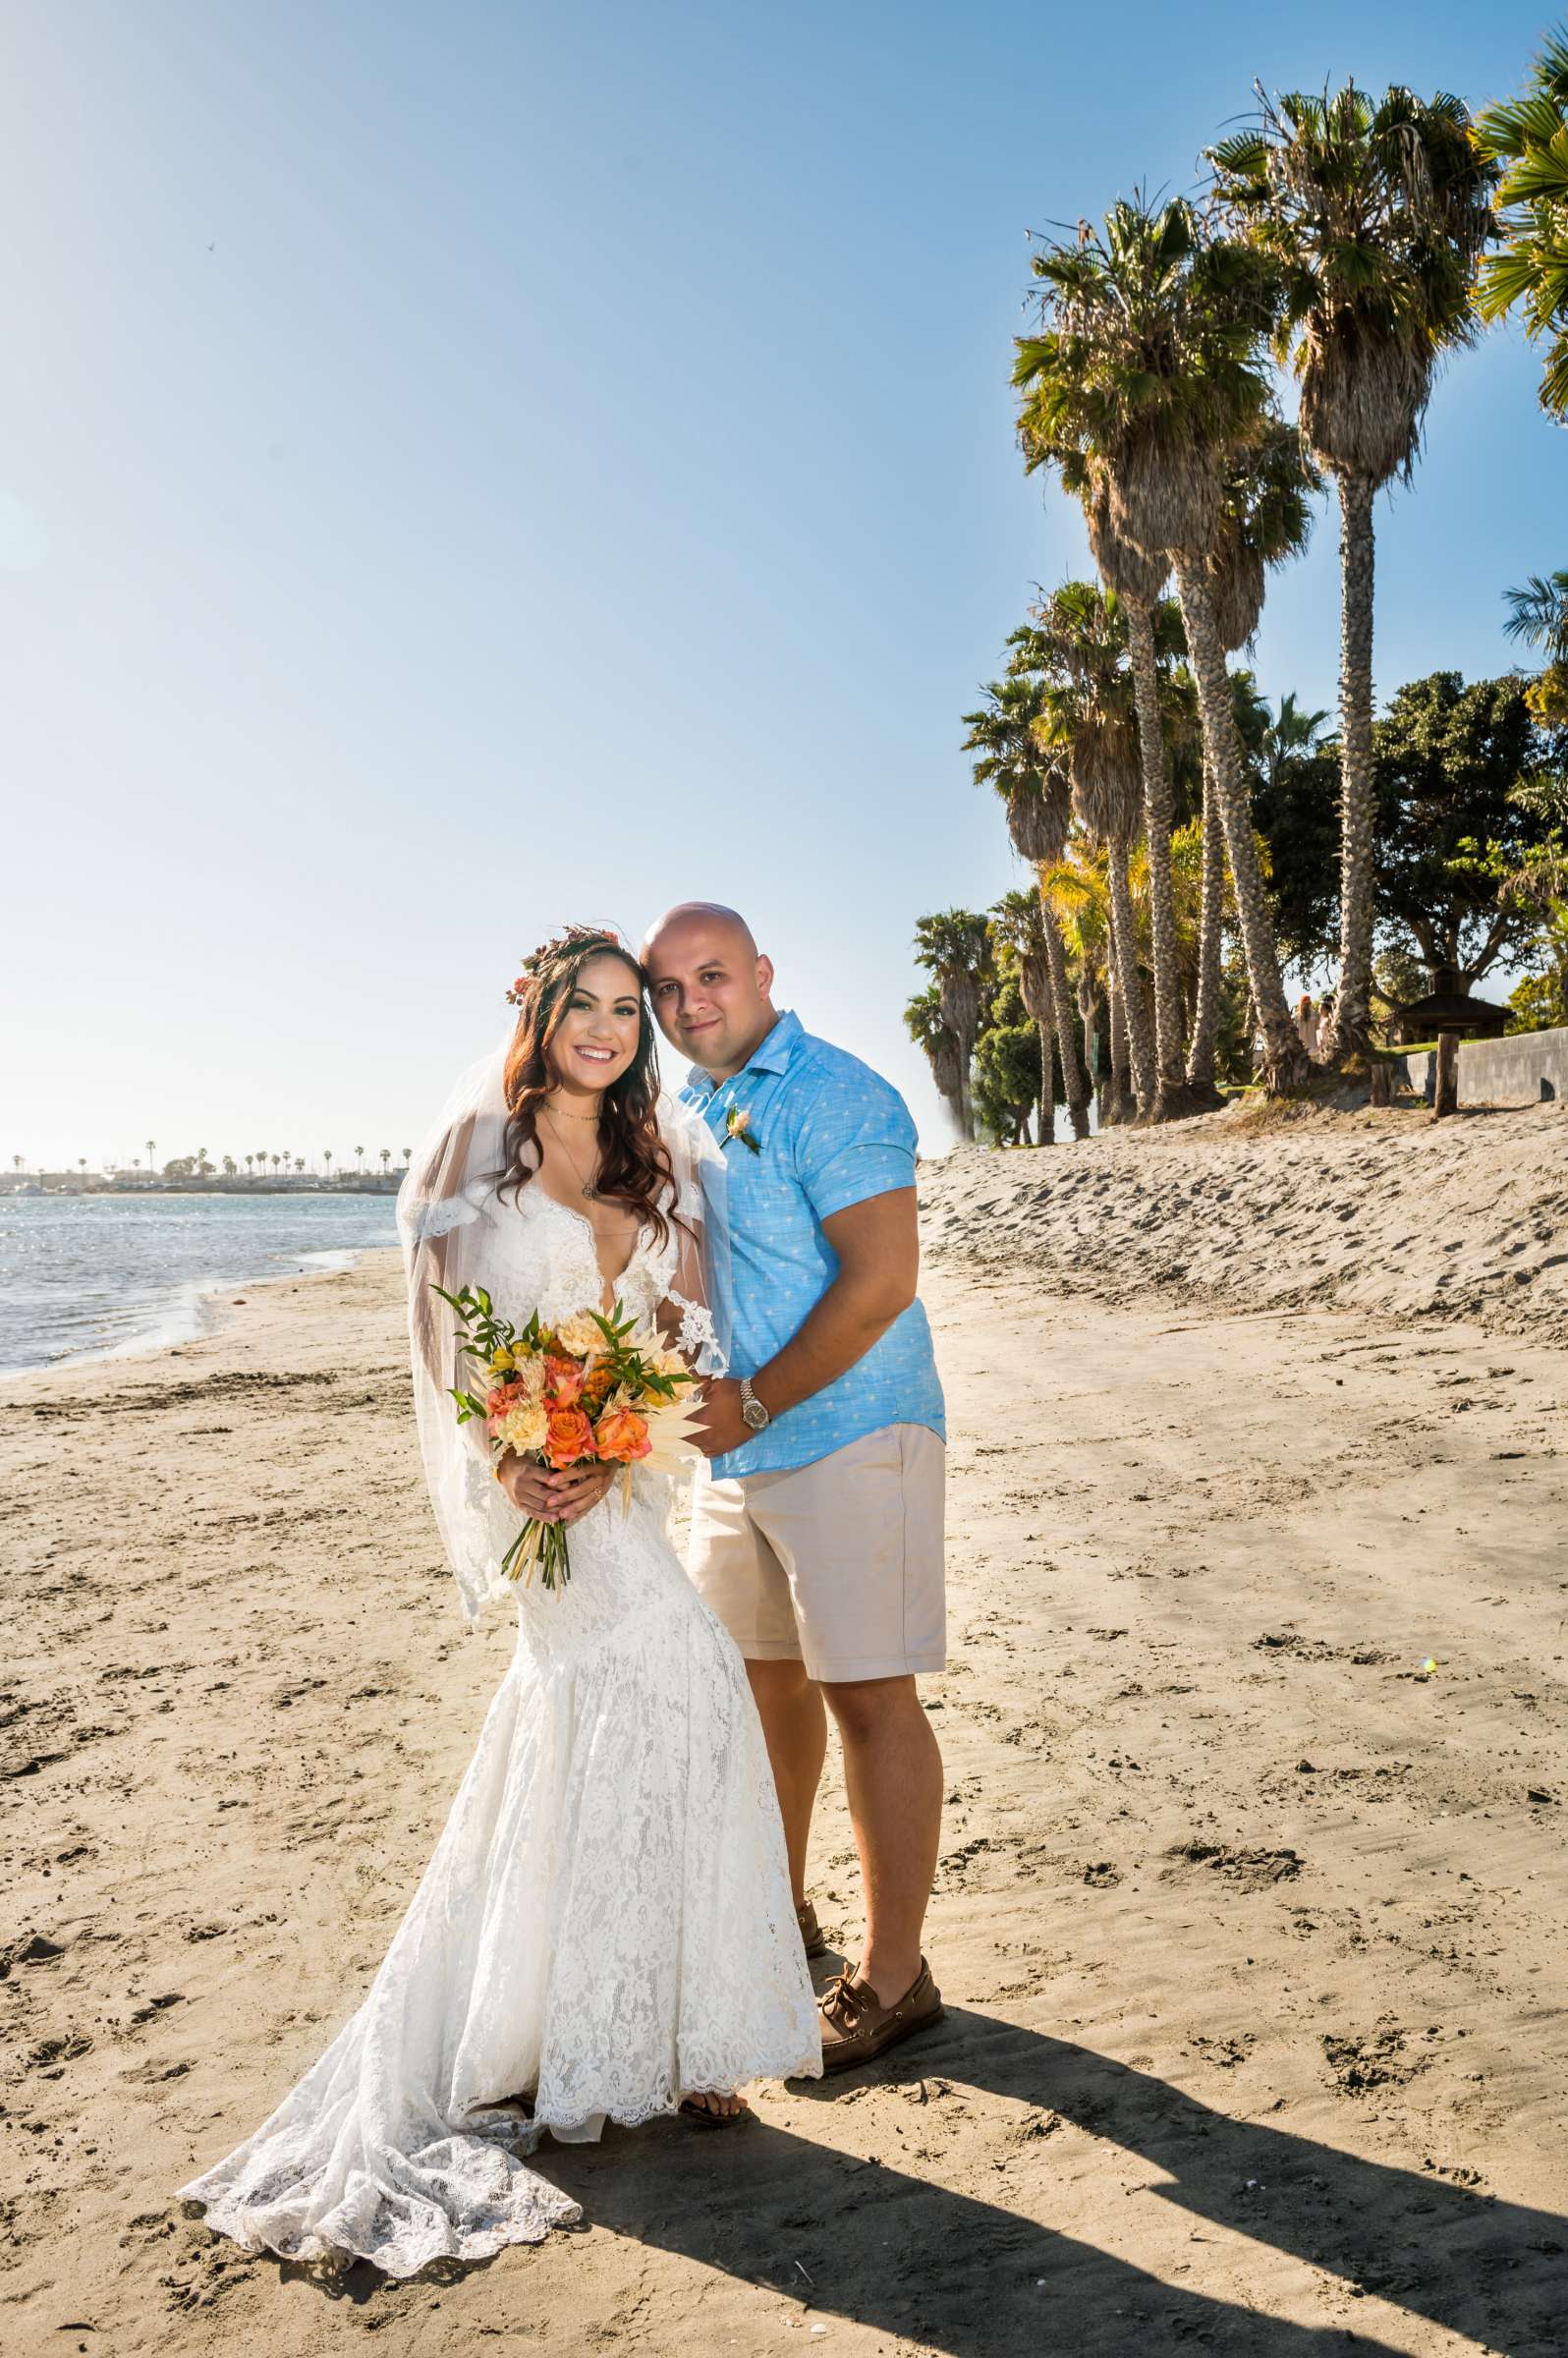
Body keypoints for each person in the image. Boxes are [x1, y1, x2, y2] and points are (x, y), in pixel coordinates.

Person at [176, 926, 820, 2279]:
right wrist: (512, 1455)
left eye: (625, 1010)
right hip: (541, 1491)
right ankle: (600, 2041)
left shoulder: (659, 1162)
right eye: (580, 1006)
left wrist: (625, 1430)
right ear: (536, 1017)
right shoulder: (483, 1154)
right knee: (642, 1694)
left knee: (664, 1705)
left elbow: (680, 1337)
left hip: (625, 1486)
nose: (606, 1028)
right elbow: (438, 1331)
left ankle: (662, 2040)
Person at [643, 903, 948, 2073]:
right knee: (766, 1695)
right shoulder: (686, 1108)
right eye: (667, 991)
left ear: (762, 974)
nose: (687, 1006)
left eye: (709, 977)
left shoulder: (838, 1092)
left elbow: (880, 1283)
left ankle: (894, 1977)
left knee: (870, 1697)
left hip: (855, 1434)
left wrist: (757, 1399)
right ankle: (783, 1916)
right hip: (735, 1452)